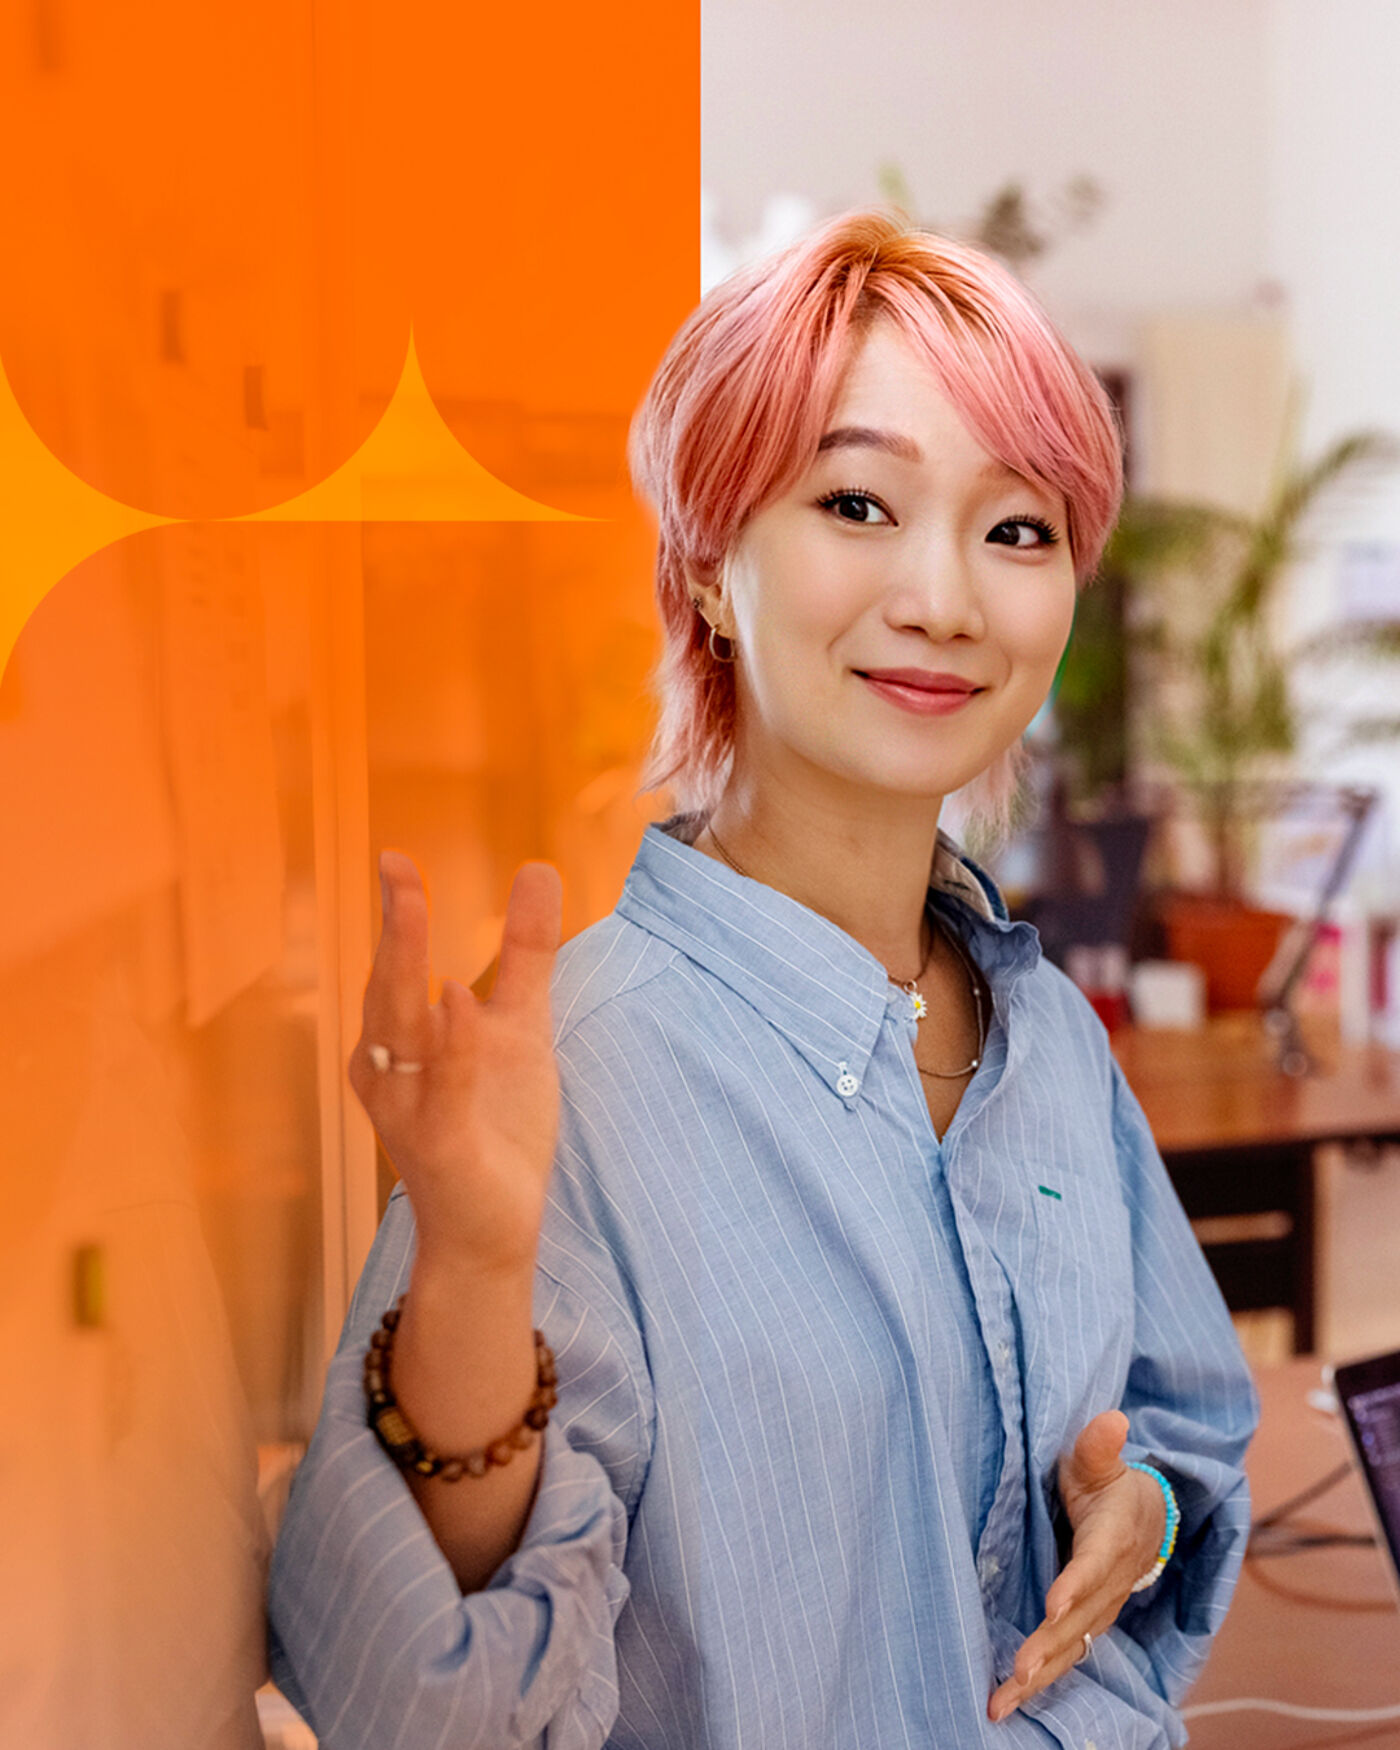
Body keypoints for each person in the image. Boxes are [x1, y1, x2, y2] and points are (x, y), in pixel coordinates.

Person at [267, 209, 1258, 1749]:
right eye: (858, 502)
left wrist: (1137, 1505)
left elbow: (1187, 1425)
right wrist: (468, 1261)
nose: (946, 596)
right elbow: (415, 1697)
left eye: (1019, 529)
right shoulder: (593, 1068)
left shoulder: (1048, 1037)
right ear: (711, 571)